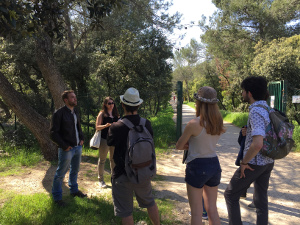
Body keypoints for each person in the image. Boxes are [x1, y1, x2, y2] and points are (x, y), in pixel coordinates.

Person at [224, 76, 274, 225]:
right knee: (261, 201)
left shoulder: (256, 111)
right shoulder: (267, 108)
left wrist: (244, 162)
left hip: (254, 162)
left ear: (249, 93)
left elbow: (257, 144)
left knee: (230, 194)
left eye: (243, 91)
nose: (242, 94)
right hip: (268, 160)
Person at [107, 87, 160, 225]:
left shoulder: (115, 127)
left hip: (122, 174)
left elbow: (112, 155)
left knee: (126, 211)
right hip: (142, 171)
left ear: (123, 104)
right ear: (139, 105)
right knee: (149, 202)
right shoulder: (146, 124)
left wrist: (113, 173)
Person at [176, 86, 225, 225]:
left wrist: (188, 144)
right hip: (214, 164)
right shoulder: (218, 123)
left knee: (197, 211)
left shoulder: (193, 124)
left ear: (199, 103)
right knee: (212, 209)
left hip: (197, 165)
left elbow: (179, 145)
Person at [50, 90, 87, 206]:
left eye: (75, 97)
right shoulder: (59, 114)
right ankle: (57, 199)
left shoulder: (75, 111)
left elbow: (78, 127)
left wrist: (81, 138)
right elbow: (53, 133)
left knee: (75, 170)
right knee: (60, 174)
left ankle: (74, 191)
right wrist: (64, 146)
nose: (75, 99)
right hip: (67, 149)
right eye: (72, 97)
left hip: (77, 147)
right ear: (66, 100)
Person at [96, 97, 119, 188]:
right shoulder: (102, 114)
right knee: (102, 160)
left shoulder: (116, 114)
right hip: (104, 140)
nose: (111, 105)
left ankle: (114, 179)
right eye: (109, 103)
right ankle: (100, 180)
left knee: (113, 160)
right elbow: (97, 127)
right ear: (105, 104)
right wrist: (105, 125)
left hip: (114, 140)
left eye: (112, 103)